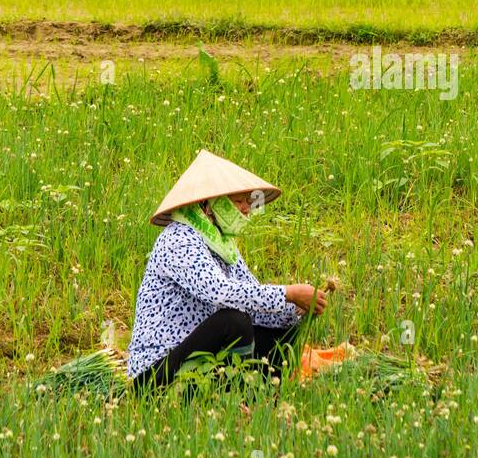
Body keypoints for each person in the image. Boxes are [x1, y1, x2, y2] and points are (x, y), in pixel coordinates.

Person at [128, 149, 329, 389]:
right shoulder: (179, 238)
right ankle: (238, 392)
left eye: (248, 201)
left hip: (198, 364)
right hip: (157, 373)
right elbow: (220, 293)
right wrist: (287, 293)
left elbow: (254, 302)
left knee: (282, 332)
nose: (246, 209)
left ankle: (264, 395)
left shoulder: (223, 245)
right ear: (207, 204)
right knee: (233, 321)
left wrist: (295, 310)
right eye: (238, 201)